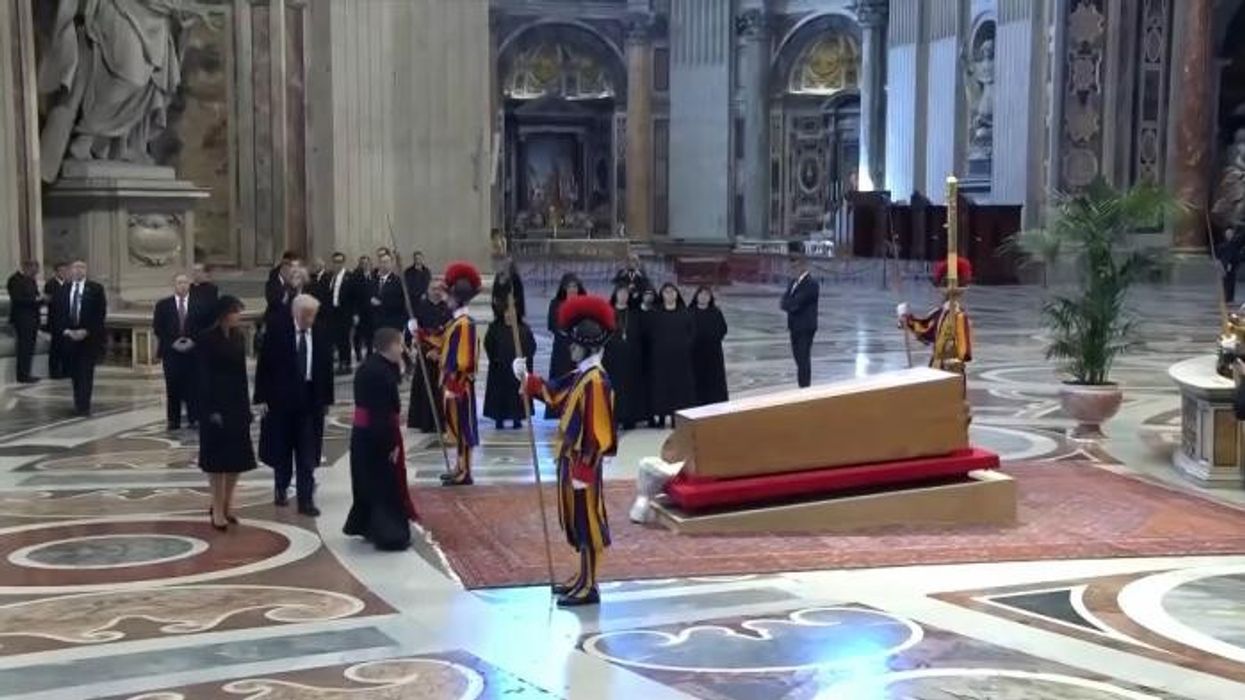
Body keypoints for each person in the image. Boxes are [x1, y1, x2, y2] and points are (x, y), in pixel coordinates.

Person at [515, 294, 618, 607]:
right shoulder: (581, 376)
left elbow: (599, 431)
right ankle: (582, 576)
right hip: (571, 460)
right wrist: (525, 378)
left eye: (574, 344)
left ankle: (590, 584)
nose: (569, 348)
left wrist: (585, 467)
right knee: (577, 521)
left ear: (586, 345)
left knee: (588, 522)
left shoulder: (596, 382)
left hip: (582, 464)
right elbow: (553, 394)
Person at [254, 294, 335, 516]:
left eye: (313, 315)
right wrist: (261, 397)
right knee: (282, 448)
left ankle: (306, 499)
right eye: (307, 316)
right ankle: (281, 488)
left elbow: (326, 367)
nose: (311, 320)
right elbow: (264, 366)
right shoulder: (278, 331)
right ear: (296, 313)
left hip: (310, 399)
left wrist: (327, 400)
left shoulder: (320, 332)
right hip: (281, 399)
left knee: (307, 453)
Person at [344, 327, 418, 550]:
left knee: (366, 482)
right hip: (376, 436)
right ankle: (389, 534)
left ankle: (366, 525)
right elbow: (379, 413)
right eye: (400, 344)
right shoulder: (379, 373)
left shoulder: (376, 366)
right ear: (392, 345)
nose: (403, 348)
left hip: (366, 434)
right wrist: (389, 445)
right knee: (383, 484)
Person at [195, 295, 257, 531]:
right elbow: (202, 376)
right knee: (217, 461)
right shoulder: (206, 339)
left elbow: (241, 374)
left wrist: (246, 406)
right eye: (235, 312)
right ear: (224, 314)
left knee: (236, 458)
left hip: (236, 402)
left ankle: (228, 503)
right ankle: (217, 508)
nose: (238, 316)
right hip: (214, 402)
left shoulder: (239, 337)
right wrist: (210, 409)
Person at [433, 262, 482, 486]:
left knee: (464, 429)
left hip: (460, 385)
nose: (445, 299)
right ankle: (459, 467)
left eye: (448, 295)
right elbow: (443, 342)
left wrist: (448, 365)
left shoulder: (465, 324)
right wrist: (421, 334)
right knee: (458, 428)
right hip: (453, 383)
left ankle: (466, 471)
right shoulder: (457, 321)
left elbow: (465, 359)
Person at [898, 258, 974, 379]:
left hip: (951, 370)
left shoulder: (959, 316)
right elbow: (925, 330)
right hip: (936, 368)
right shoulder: (940, 312)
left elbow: (964, 351)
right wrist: (906, 319)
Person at [51, 260, 106, 416]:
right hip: (69, 338)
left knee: (86, 373)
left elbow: (100, 315)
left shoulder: (95, 289)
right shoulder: (63, 290)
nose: (78, 270)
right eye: (75, 267)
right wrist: (66, 331)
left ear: (86, 270)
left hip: (88, 339)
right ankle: (78, 402)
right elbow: (57, 313)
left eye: (82, 267)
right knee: (74, 373)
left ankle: (84, 405)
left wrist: (87, 331)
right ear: (71, 270)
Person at [643, 283, 696, 427]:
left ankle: (675, 416)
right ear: (662, 295)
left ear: (677, 294)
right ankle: (660, 416)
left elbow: (692, 332)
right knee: (661, 387)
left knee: (679, 388)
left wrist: (685, 345)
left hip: (680, 358)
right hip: (660, 358)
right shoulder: (655, 313)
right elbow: (649, 333)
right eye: (666, 292)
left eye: (672, 292)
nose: (670, 294)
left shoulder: (685, 313)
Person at [152, 273, 199, 430]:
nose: (182, 285)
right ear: (174, 285)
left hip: (193, 352)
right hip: (171, 352)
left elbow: (204, 327)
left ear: (189, 285)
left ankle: (194, 417)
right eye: (179, 283)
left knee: (193, 385)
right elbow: (158, 328)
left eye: (185, 282)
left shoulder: (198, 304)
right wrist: (173, 343)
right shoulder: (163, 305)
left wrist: (193, 341)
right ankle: (173, 420)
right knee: (173, 386)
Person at [483, 298, 536, 430]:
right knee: (500, 394)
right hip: (500, 368)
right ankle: (499, 419)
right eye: (507, 311)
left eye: (513, 311)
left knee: (517, 394)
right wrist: (494, 358)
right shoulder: (495, 328)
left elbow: (531, 346)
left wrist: (525, 361)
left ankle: (517, 418)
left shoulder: (524, 329)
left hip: (517, 369)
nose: (510, 314)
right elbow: (488, 344)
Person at [408, 281, 451, 432]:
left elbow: (452, 333)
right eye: (433, 288)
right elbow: (415, 333)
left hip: (443, 357)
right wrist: (427, 351)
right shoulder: (420, 308)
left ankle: (442, 422)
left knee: (441, 390)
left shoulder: (448, 308)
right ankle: (426, 423)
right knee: (426, 390)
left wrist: (440, 352)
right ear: (428, 290)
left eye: (440, 288)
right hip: (425, 356)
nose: (437, 291)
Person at [604, 284, 646, 430]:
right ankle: (614, 417)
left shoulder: (634, 313)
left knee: (630, 387)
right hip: (612, 358)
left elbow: (641, 334)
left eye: (626, 293)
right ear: (615, 294)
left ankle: (630, 417)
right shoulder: (608, 313)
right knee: (614, 388)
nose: (623, 296)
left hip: (631, 358)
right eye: (620, 293)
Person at [545, 272, 586, 418]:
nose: (572, 289)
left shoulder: (584, 303)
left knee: (578, 380)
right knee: (561, 380)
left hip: (580, 348)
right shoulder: (555, 304)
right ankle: (560, 412)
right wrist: (564, 330)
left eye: (575, 286)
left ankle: (577, 411)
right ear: (563, 288)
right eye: (569, 286)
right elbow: (551, 325)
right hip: (562, 349)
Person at [780, 250, 819, 388]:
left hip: (805, 327)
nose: (793, 269)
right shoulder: (792, 283)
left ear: (803, 266)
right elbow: (784, 302)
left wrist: (789, 304)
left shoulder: (811, 284)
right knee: (798, 359)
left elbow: (796, 303)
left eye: (795, 266)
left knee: (803, 359)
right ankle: (801, 385)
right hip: (794, 326)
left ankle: (805, 388)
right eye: (792, 267)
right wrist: (789, 304)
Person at [690, 285, 728, 406]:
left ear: (710, 297)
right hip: (695, 353)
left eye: (707, 294)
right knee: (696, 379)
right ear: (696, 296)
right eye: (701, 294)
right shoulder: (689, 312)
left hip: (713, 353)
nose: (703, 297)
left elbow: (723, 328)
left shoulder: (716, 312)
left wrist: (714, 338)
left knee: (714, 380)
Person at [7, 261, 42, 384]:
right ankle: (22, 375)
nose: (36, 273)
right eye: (34, 270)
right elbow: (17, 299)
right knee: (23, 348)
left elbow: (36, 296)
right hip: (22, 319)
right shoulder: (14, 280)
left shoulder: (31, 280)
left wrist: (42, 300)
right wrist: (35, 300)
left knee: (30, 348)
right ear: (26, 268)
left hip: (33, 319)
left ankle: (27, 373)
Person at [325, 252, 354, 374]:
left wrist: (354, 313)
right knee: (336, 338)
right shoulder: (331, 276)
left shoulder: (349, 276)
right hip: (333, 312)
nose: (337, 264)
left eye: (339, 262)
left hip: (345, 312)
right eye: (335, 262)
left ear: (343, 263)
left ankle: (346, 364)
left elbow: (355, 297)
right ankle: (340, 362)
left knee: (344, 339)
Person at [43, 262, 68, 379]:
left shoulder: (68, 284)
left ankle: (65, 370)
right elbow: (50, 301)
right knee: (55, 348)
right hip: (55, 321)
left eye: (65, 270)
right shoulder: (50, 284)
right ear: (56, 272)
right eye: (61, 271)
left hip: (67, 321)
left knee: (66, 347)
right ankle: (54, 372)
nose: (64, 273)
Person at [372, 252, 406, 332]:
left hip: (391, 322)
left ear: (391, 264)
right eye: (382, 262)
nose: (384, 264)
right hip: (375, 322)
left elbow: (400, 302)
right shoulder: (374, 280)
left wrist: (381, 303)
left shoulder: (397, 281)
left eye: (386, 262)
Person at [351, 255, 375, 360]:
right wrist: (355, 313)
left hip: (371, 312)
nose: (365, 265)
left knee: (370, 334)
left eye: (366, 263)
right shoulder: (355, 277)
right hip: (360, 311)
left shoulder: (374, 276)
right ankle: (358, 354)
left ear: (370, 264)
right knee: (358, 335)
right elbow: (353, 297)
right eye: (363, 263)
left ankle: (369, 353)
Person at [188, 263, 219, 333]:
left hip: (205, 326)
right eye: (194, 271)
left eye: (198, 271)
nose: (195, 273)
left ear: (205, 273)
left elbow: (211, 307)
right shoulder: (189, 287)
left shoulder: (211, 289)